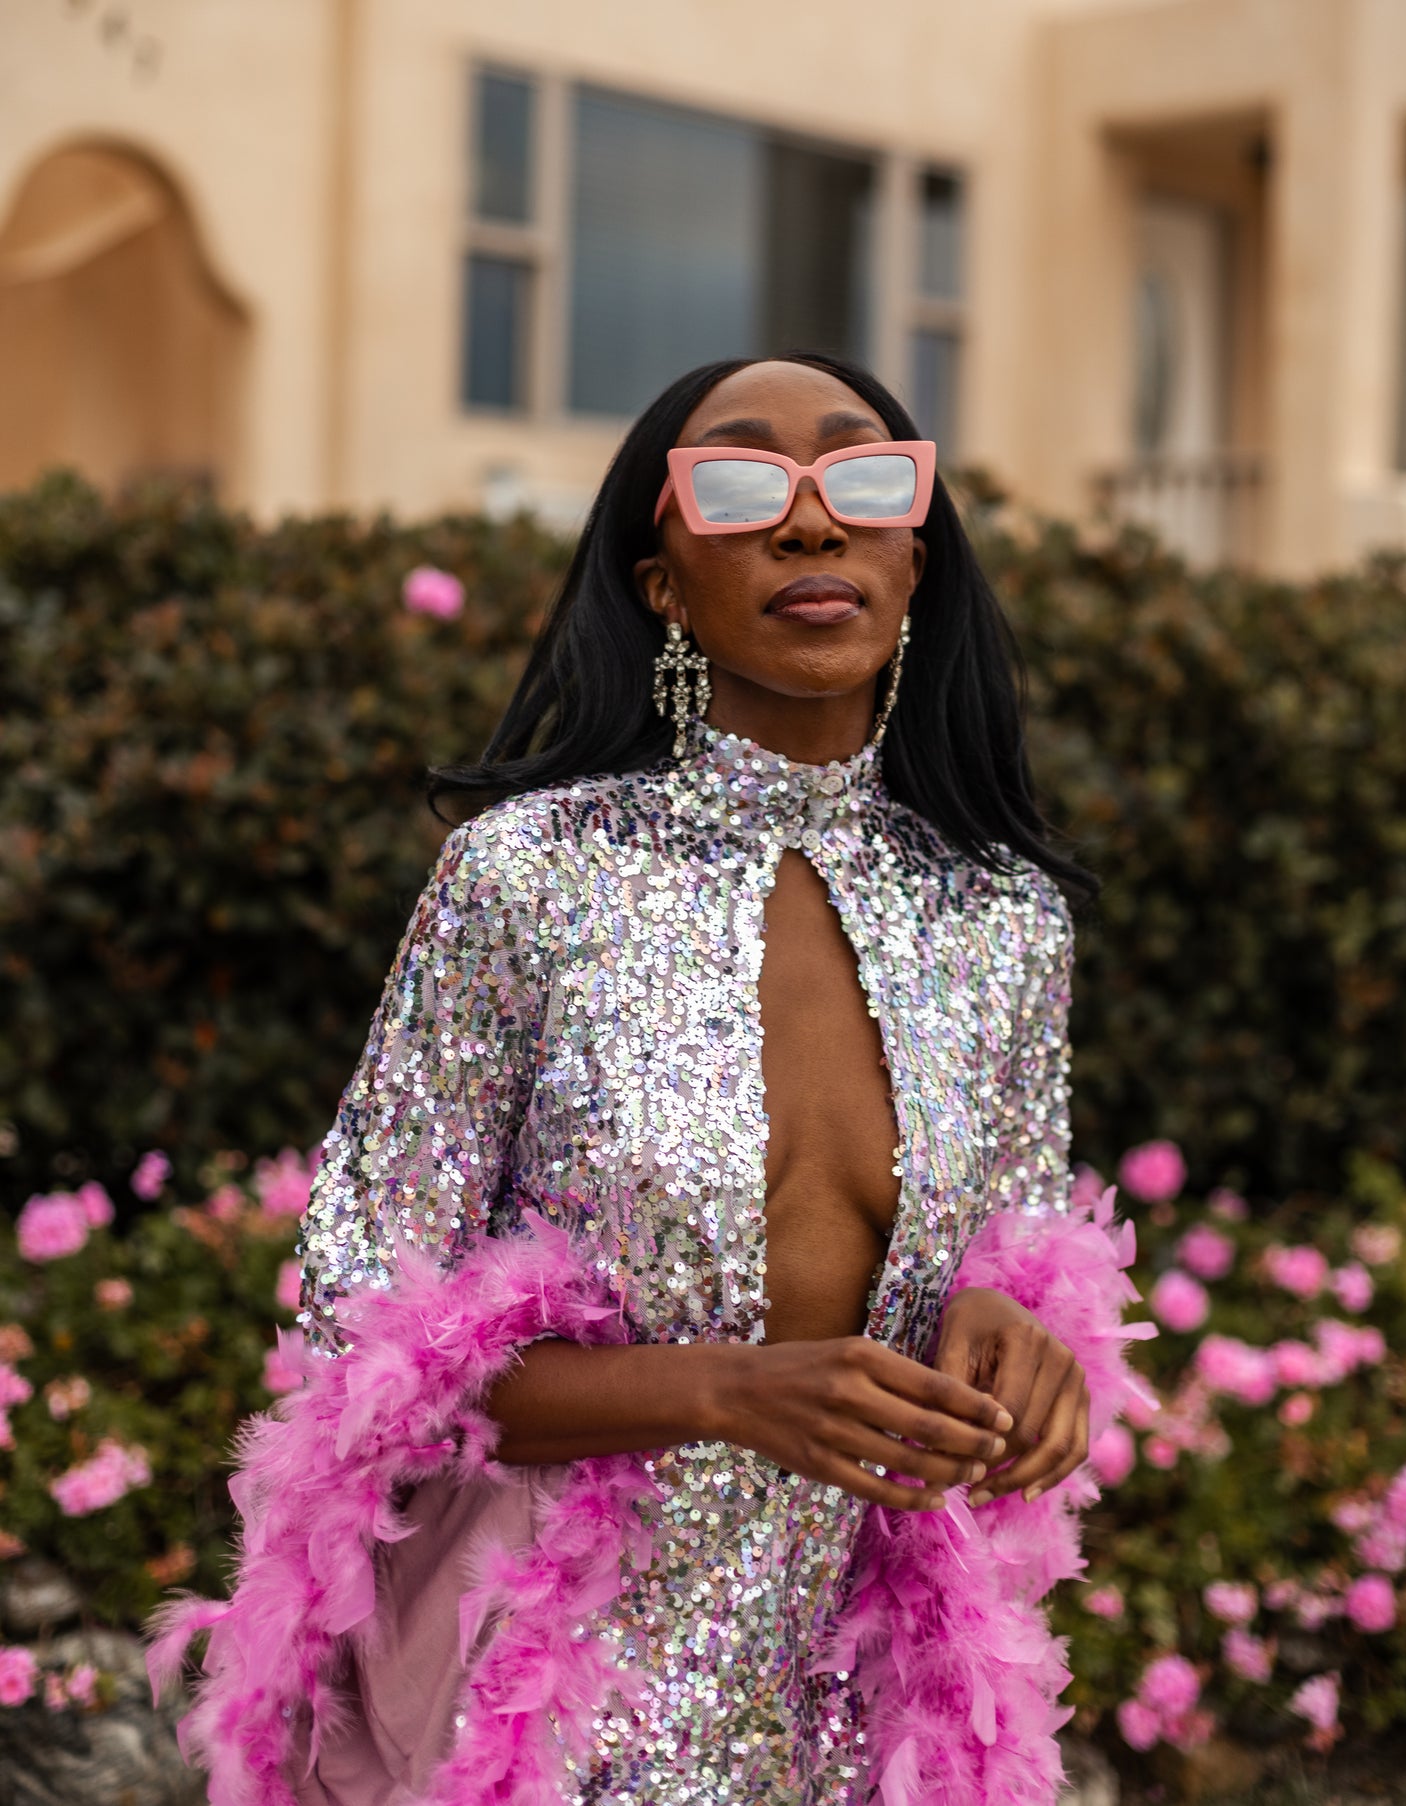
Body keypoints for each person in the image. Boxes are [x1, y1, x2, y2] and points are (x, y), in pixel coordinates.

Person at [150, 353, 1149, 1806]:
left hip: (862, 1712)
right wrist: (723, 1390)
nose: (810, 521)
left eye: (863, 478)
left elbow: (1010, 1247)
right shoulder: (529, 877)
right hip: (540, 1707)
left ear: (912, 558)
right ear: (662, 581)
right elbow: (363, 1334)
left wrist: (1009, 1326)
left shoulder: (1001, 918)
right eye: (739, 483)